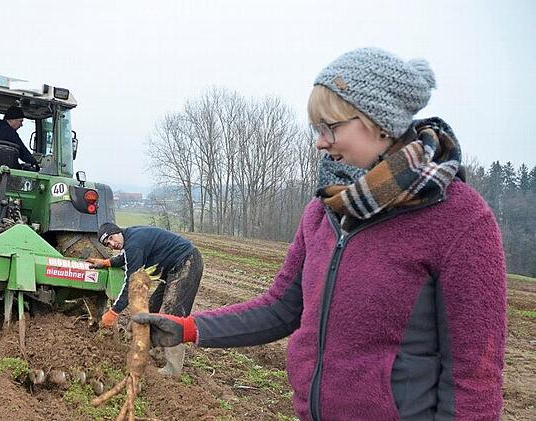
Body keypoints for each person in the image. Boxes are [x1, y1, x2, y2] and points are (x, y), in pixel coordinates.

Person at [133, 48, 507, 420]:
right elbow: (280, 307)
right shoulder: (325, 210)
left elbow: (475, 375)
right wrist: (189, 327)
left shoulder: (459, 219)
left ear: (379, 122)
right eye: (316, 128)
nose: (320, 142)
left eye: (331, 127)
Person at [87, 222, 203, 379]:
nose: (113, 244)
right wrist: (107, 262)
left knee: (172, 316)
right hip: (171, 269)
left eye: (112, 238)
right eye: (108, 244)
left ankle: (173, 369)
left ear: (117, 231)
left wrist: (114, 312)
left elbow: (132, 285)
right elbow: (126, 257)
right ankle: (156, 350)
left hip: (186, 262)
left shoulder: (134, 243)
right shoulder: (130, 237)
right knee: (152, 308)